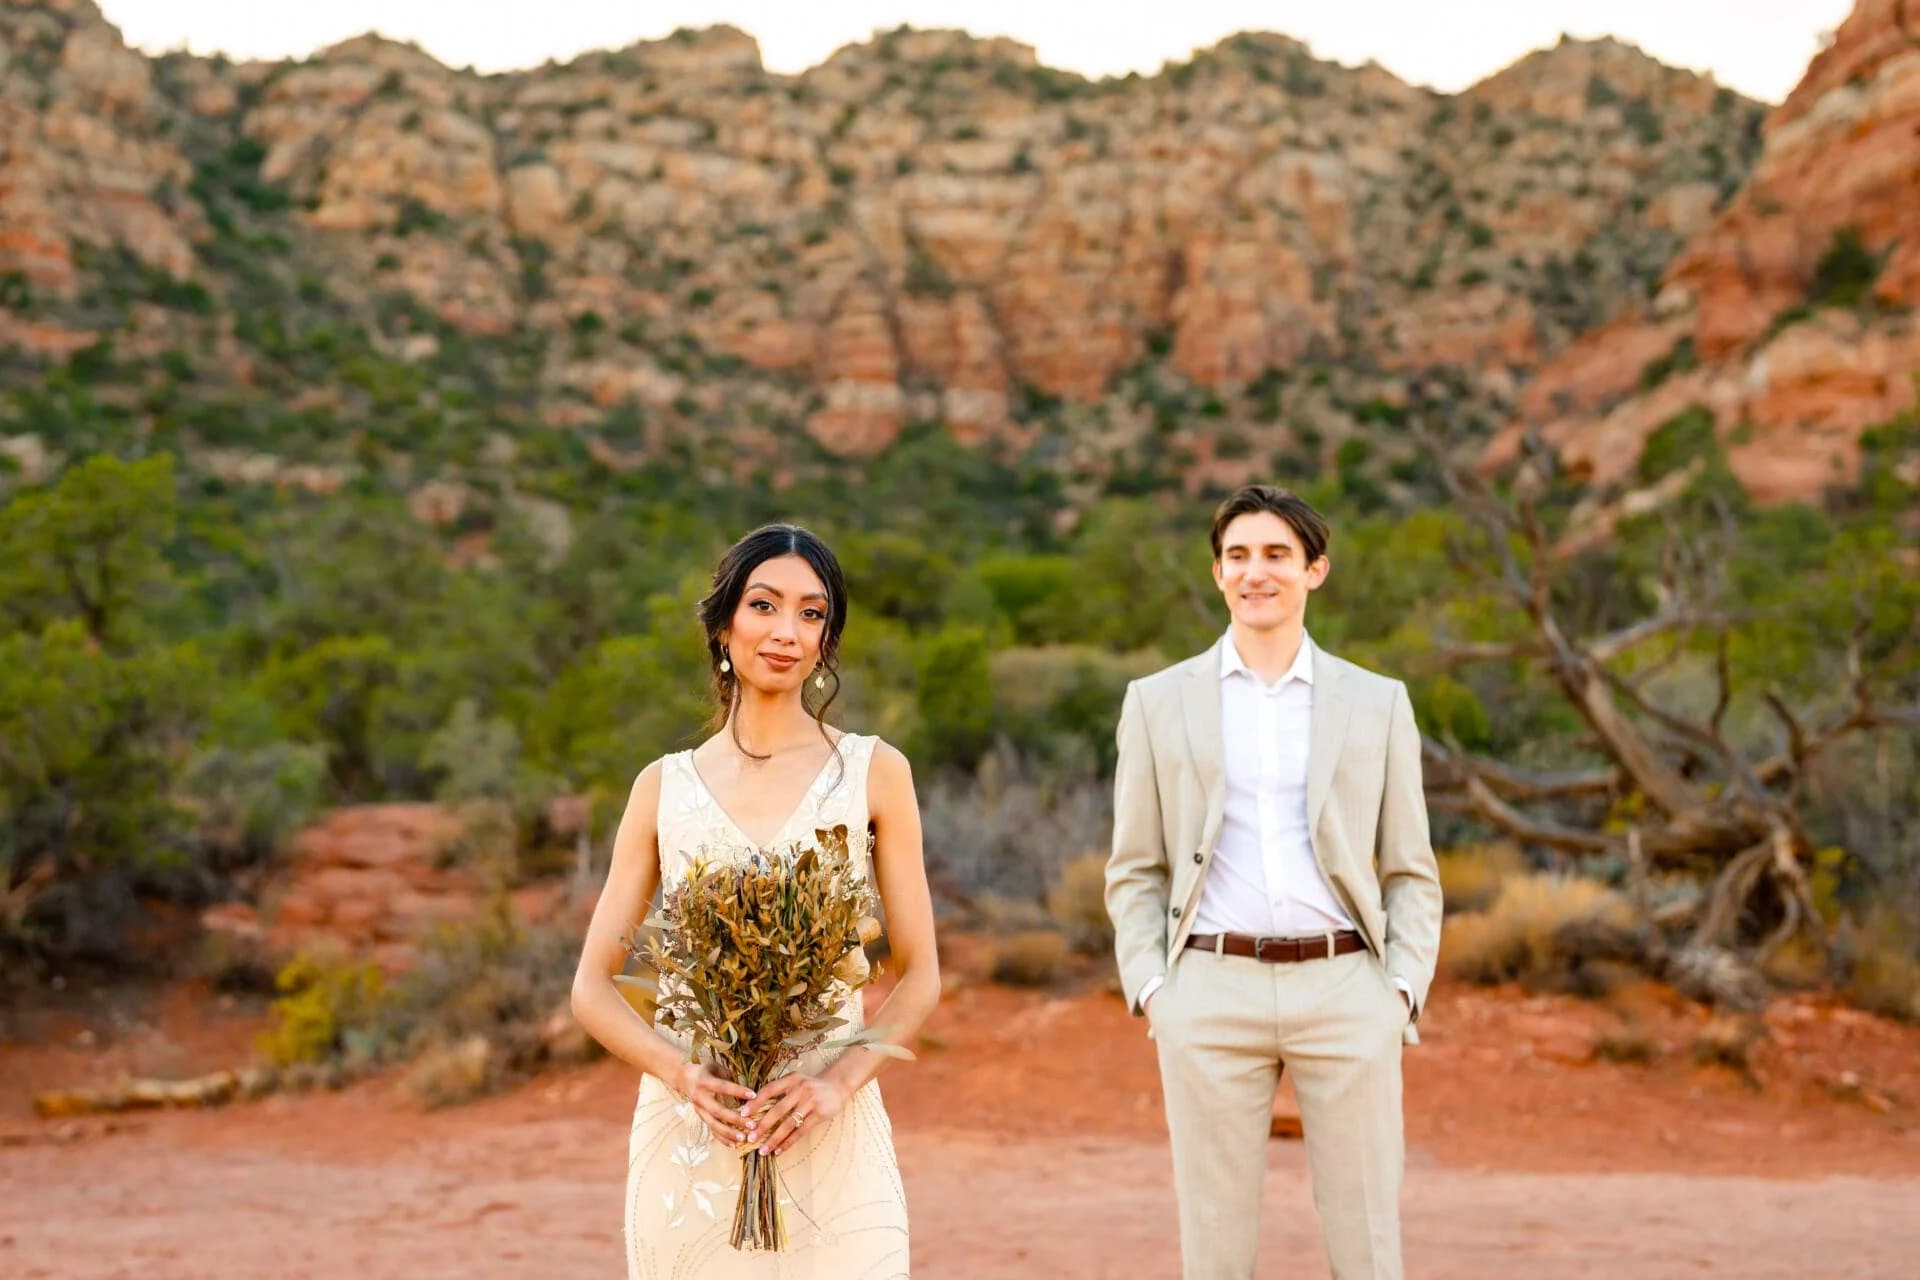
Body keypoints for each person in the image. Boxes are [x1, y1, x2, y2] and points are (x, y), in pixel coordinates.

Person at [571, 522, 939, 1279]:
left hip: (830, 1136)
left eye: (811, 613)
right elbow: (590, 990)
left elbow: (922, 976)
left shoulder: (875, 773)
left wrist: (834, 1085)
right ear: (722, 624)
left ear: (827, 639)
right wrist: (684, 1077)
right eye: (764, 605)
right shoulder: (661, 789)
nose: (787, 632)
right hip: (694, 1140)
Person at [1105, 484, 1443, 1280]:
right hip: (1209, 992)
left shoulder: (1378, 701)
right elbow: (1135, 868)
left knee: (1367, 1244)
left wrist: (1398, 990)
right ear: (1219, 574)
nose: (1256, 572)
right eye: (1238, 556)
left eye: (1277, 556)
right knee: (1215, 1248)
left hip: (1346, 989)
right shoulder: (1156, 703)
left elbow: (1411, 868)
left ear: (1315, 571)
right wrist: (1156, 989)